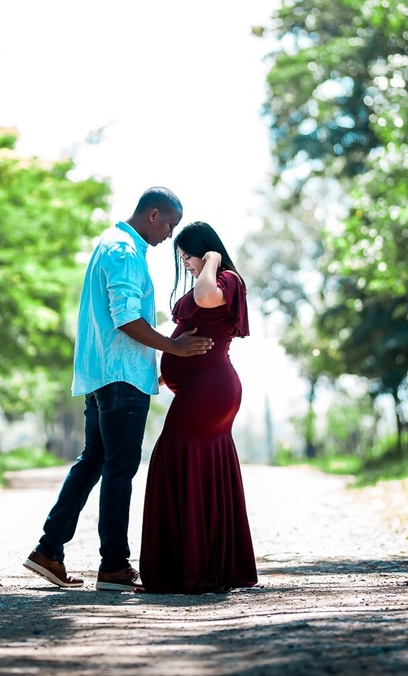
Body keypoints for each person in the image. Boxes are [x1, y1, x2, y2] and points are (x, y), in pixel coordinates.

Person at [24, 187, 215, 591]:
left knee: (94, 460)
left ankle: (48, 550)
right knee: (119, 467)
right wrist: (175, 347)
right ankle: (113, 565)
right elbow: (125, 318)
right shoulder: (125, 251)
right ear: (153, 214)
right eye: (169, 224)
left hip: (102, 374)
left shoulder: (109, 244)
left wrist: (158, 365)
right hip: (120, 377)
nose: (169, 234)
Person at [139, 221, 258, 594]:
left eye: (187, 256)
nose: (186, 264)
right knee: (194, 466)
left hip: (211, 389)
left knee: (176, 458)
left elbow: (205, 298)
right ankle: (199, 563)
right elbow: (196, 336)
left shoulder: (225, 280)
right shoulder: (213, 280)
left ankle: (190, 567)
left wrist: (213, 259)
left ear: (204, 251)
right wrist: (166, 374)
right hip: (203, 386)